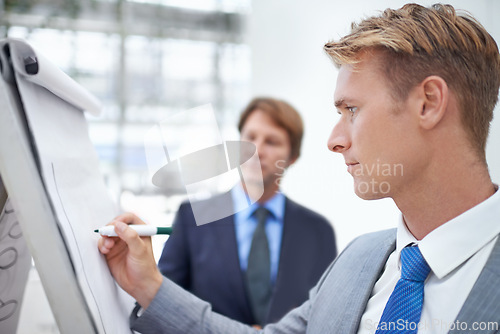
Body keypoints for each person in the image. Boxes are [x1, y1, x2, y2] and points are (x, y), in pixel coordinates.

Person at [98, 3, 500, 333]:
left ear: (428, 103)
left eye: (352, 110)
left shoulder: (320, 234)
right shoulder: (358, 260)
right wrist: (147, 285)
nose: (335, 140)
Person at [156, 97, 337, 326]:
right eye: (250, 137)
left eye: (271, 142)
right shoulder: (192, 217)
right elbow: (164, 303)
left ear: (293, 157)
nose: (257, 150)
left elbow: (326, 316)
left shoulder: (317, 231)